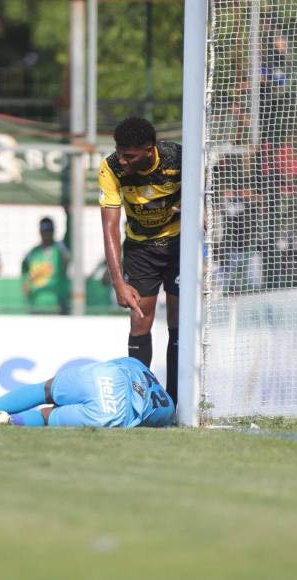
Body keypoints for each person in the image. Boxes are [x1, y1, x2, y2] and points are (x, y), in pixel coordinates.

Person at [98, 116, 182, 404]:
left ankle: (176, 402)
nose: (122, 160)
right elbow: (109, 226)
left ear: (149, 150)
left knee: (178, 322)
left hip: (178, 245)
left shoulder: (178, 158)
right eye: (120, 153)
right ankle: (141, 403)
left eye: (129, 156)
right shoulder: (110, 168)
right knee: (139, 322)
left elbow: (205, 191)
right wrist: (118, 282)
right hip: (140, 249)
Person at [0, 357, 174, 428]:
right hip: (112, 411)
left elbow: (111, 364)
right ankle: (6, 421)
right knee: (46, 416)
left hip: (103, 376)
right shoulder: (168, 410)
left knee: (45, 389)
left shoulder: (138, 364)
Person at [21, 216, 70, 314]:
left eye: (49, 230)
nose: (47, 233)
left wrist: (68, 213)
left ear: (53, 231)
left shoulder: (60, 249)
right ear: (40, 232)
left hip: (57, 305)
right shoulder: (33, 253)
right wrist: (26, 285)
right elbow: (24, 271)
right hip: (37, 305)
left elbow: (71, 235)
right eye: (44, 230)